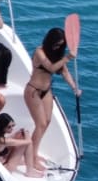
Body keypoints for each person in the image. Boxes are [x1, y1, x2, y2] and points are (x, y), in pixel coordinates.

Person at [24, 27, 81, 170]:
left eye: (61, 45)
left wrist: (74, 88)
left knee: (47, 121)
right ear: (50, 41)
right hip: (34, 91)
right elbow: (50, 68)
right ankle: (31, 156)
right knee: (41, 124)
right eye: (56, 44)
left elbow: (64, 72)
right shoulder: (39, 52)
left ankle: (33, 151)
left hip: (46, 91)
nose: (58, 47)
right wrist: (67, 58)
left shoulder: (57, 55)